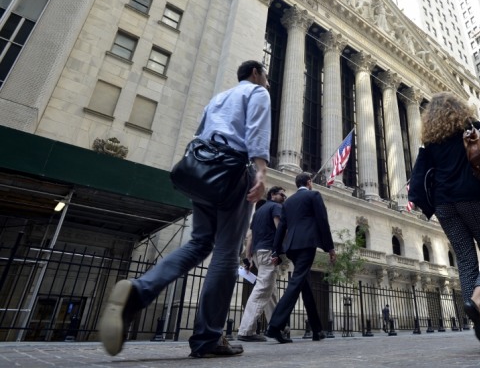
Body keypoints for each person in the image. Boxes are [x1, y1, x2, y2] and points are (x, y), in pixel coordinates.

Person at [100, 60, 271, 358]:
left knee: (199, 242)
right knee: (226, 252)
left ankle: (139, 290)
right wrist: (260, 171)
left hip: (201, 172)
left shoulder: (218, 98)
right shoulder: (257, 93)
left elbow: (199, 132)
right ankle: (209, 338)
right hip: (231, 172)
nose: (267, 81)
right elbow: (256, 129)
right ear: (256, 73)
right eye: (265, 76)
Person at [416, 92, 480, 350]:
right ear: (458, 109)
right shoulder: (470, 128)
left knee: (466, 262)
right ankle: (477, 303)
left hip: (444, 204)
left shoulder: (430, 142)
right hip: (473, 197)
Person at [265, 173, 336, 343]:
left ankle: (317, 330)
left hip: (291, 247)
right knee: (297, 281)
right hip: (306, 244)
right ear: (309, 182)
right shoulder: (314, 195)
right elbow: (322, 221)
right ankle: (275, 326)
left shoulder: (288, 202)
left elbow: (281, 227)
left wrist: (276, 250)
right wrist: (330, 248)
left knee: (305, 285)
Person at [236, 186, 286, 342]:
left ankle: (276, 327)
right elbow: (280, 229)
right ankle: (246, 330)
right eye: (281, 194)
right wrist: (277, 251)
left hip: (258, 254)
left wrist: (248, 258)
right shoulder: (276, 207)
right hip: (268, 251)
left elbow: (250, 237)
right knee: (262, 289)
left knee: (271, 293)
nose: (284, 197)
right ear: (272, 195)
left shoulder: (258, 212)